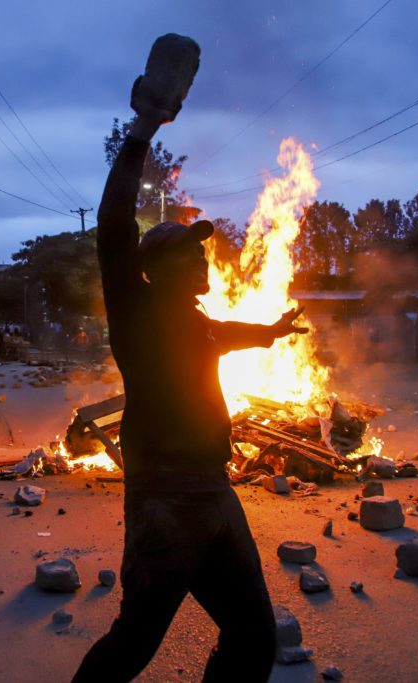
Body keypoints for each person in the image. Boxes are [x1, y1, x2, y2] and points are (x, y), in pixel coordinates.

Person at [72, 35, 307, 683]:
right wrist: (143, 129)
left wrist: (273, 330)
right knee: (135, 642)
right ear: (158, 267)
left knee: (254, 637)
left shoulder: (194, 322)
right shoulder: (136, 309)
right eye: (191, 251)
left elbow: (224, 335)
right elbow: (114, 221)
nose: (205, 256)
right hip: (165, 501)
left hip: (213, 490)